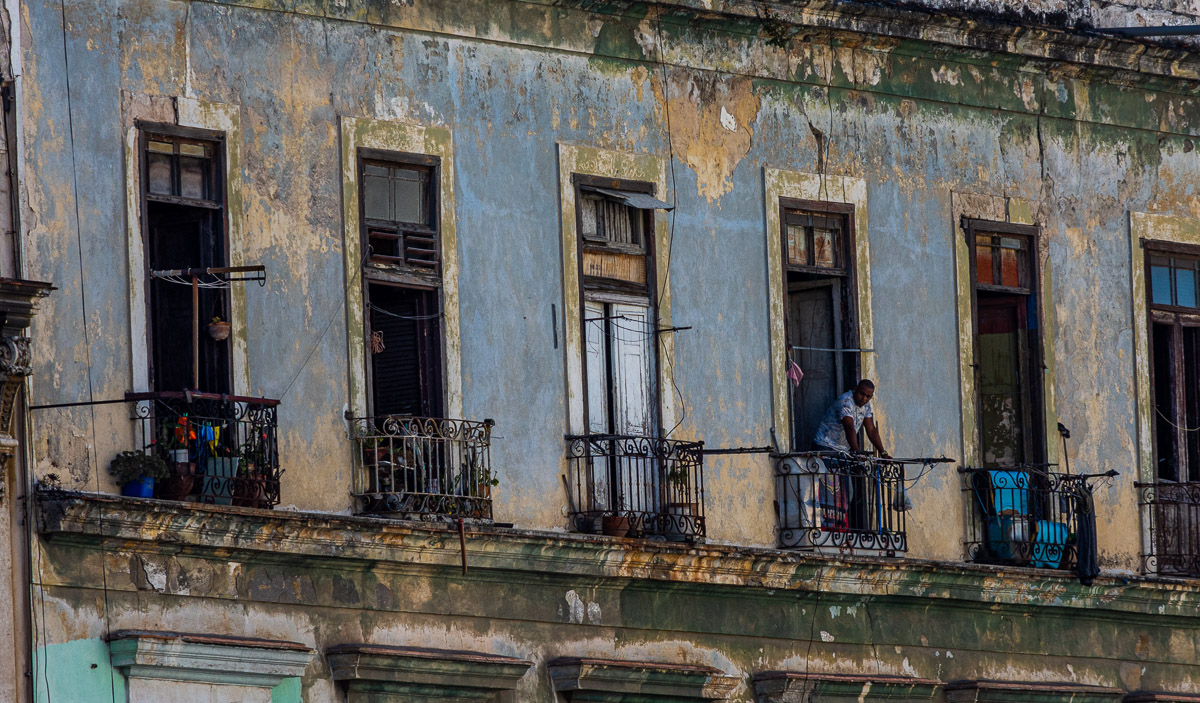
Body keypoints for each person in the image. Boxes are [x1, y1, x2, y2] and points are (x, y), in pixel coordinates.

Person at [812, 379, 890, 458]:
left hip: (842, 450)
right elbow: (849, 427)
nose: (864, 398)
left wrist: (883, 453)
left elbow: (871, 430)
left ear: (871, 397)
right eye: (862, 394)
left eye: (868, 396)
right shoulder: (846, 401)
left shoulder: (866, 406)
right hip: (825, 446)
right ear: (855, 389)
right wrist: (857, 452)